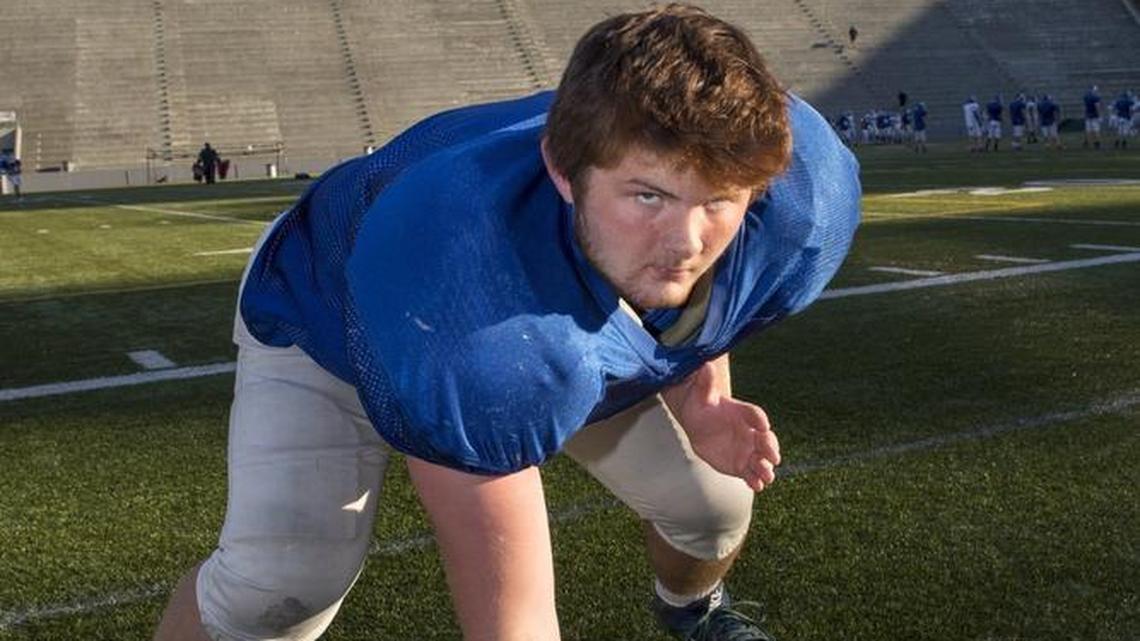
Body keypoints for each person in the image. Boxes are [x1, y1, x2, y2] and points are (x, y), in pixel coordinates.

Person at [151, 5, 860, 641]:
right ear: (562, 168)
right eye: (648, 195)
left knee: (712, 508)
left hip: (528, 329)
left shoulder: (800, 206)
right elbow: (512, 623)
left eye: (719, 201)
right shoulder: (468, 290)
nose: (685, 241)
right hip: (337, 315)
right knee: (282, 583)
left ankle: (691, 613)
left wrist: (702, 399)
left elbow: (712, 295)